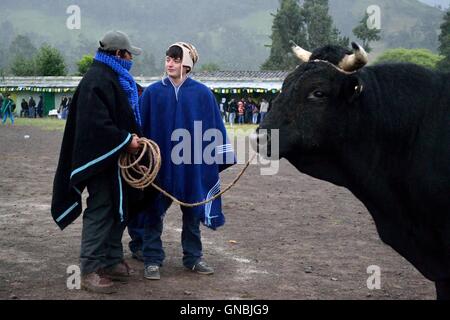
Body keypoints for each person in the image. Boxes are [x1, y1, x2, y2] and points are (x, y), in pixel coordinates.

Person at [131, 42, 235, 281]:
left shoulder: (203, 94)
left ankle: (193, 257)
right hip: (159, 166)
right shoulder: (152, 93)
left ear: (187, 64)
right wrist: (139, 156)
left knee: (192, 213)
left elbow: (213, 129)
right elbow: (140, 127)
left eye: (176, 59)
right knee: (153, 212)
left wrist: (217, 158)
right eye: (168, 58)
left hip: (191, 165)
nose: (170, 63)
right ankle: (152, 259)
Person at [51, 30, 143, 294]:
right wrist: (126, 140)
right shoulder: (97, 80)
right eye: (128, 54)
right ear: (117, 54)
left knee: (120, 207)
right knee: (102, 208)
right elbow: (95, 125)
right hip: (102, 161)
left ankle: (112, 259)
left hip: (117, 161)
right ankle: (90, 268)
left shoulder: (112, 77)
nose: (130, 59)